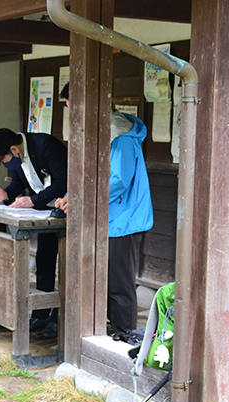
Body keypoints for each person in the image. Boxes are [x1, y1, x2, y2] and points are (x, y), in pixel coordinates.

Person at [57, 83, 153, 340]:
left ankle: (126, 332)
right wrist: (71, 197)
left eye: (71, 107)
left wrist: (80, 200)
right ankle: (115, 329)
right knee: (107, 279)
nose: (72, 114)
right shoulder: (103, 132)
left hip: (124, 219)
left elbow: (119, 180)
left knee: (119, 282)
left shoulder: (120, 136)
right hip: (109, 217)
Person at [0, 128, 67, 340]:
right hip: (45, 214)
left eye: (5, 160)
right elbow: (17, 185)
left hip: (65, 208)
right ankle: (41, 315)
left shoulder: (44, 146)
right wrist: (5, 194)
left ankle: (59, 319)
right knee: (44, 260)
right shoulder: (17, 156)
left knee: (66, 266)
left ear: (14, 149)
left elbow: (63, 181)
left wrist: (34, 200)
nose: (7, 165)